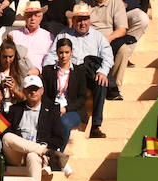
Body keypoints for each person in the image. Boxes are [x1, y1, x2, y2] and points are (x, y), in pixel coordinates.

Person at [43, 2, 113, 138]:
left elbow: (108, 56)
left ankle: (96, 126)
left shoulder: (97, 36)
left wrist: (103, 71)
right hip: (71, 72)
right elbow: (51, 55)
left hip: (89, 74)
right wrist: (47, 71)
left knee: (101, 82)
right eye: (79, 19)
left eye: (85, 19)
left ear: (89, 20)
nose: (82, 23)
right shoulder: (63, 35)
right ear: (73, 20)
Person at [1, 74, 67, 181]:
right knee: (7, 137)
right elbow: (4, 132)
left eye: (36, 89)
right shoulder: (15, 109)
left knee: (32, 155)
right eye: (30, 89)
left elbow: (59, 138)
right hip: (18, 154)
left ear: (42, 91)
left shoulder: (52, 109)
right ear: (24, 91)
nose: (33, 92)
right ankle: (46, 152)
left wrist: (43, 145)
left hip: (37, 154)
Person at [42, 38, 87, 153]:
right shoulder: (48, 71)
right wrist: (53, 108)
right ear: (56, 52)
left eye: (67, 52)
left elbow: (82, 97)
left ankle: (58, 154)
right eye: (61, 52)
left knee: (64, 122)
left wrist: (66, 109)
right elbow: (44, 94)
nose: (63, 56)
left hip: (73, 110)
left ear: (71, 52)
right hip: (52, 108)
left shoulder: (79, 71)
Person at [88, 0, 132, 101]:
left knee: (124, 49)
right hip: (89, 39)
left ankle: (114, 87)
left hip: (109, 38)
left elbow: (122, 29)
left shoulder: (116, 3)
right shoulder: (85, 3)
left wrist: (106, 40)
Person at [9, 1, 54, 71]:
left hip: (39, 75)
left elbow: (52, 60)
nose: (33, 18)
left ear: (41, 17)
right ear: (25, 17)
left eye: (36, 15)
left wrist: (39, 71)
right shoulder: (13, 35)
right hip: (17, 73)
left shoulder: (48, 37)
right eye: (29, 15)